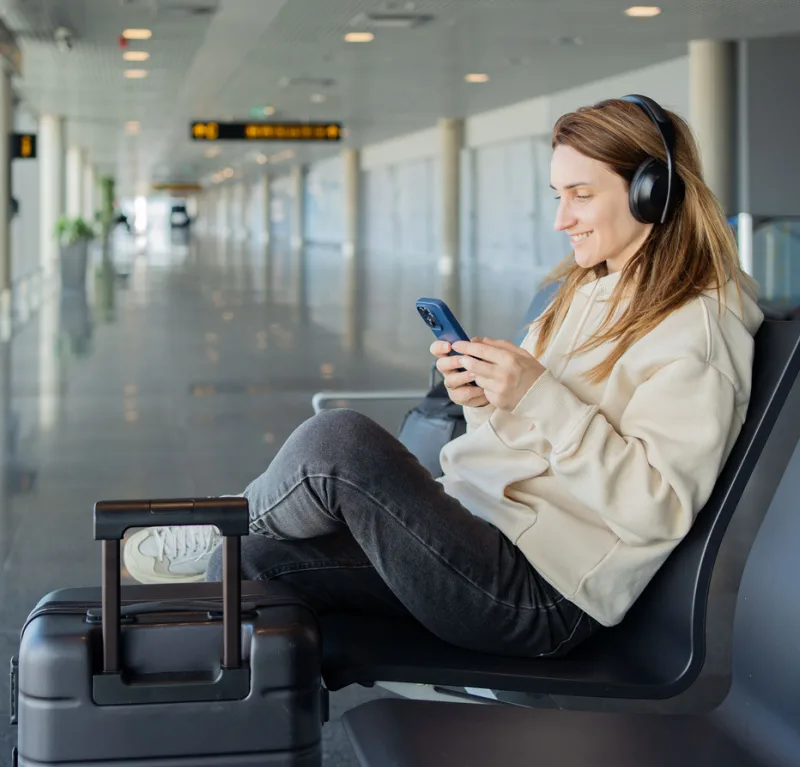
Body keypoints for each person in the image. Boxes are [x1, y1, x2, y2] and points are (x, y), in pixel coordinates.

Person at [123, 95, 763, 659]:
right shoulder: (585, 290)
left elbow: (658, 506)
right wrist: (487, 401)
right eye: (557, 195)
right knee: (257, 565)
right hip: (479, 529)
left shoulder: (697, 329)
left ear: (655, 191)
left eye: (581, 195)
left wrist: (540, 397)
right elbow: (533, 436)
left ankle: (225, 519)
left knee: (340, 443)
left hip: (541, 593)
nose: (561, 218)